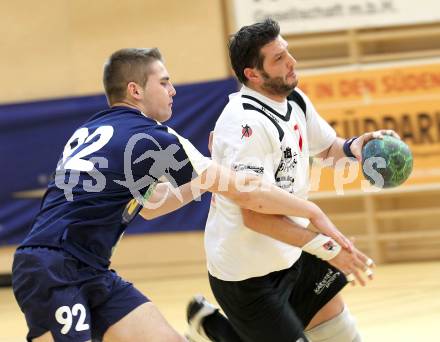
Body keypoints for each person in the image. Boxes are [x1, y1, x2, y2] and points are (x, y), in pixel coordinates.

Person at [11, 47, 363, 342]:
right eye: (163, 82)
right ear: (136, 90)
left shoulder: (93, 128)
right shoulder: (154, 136)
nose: (173, 90)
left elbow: (150, 206)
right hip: (52, 267)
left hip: (92, 269)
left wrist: (203, 179)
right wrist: (311, 212)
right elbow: (248, 194)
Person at [185, 19, 400, 342]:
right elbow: (255, 215)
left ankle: (213, 328)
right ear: (252, 74)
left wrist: (356, 147)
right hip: (247, 275)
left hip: (293, 252)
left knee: (344, 336)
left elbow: (327, 148)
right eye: (278, 59)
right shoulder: (245, 126)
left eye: (287, 52)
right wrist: (327, 248)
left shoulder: (294, 99)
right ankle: (216, 331)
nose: (291, 62)